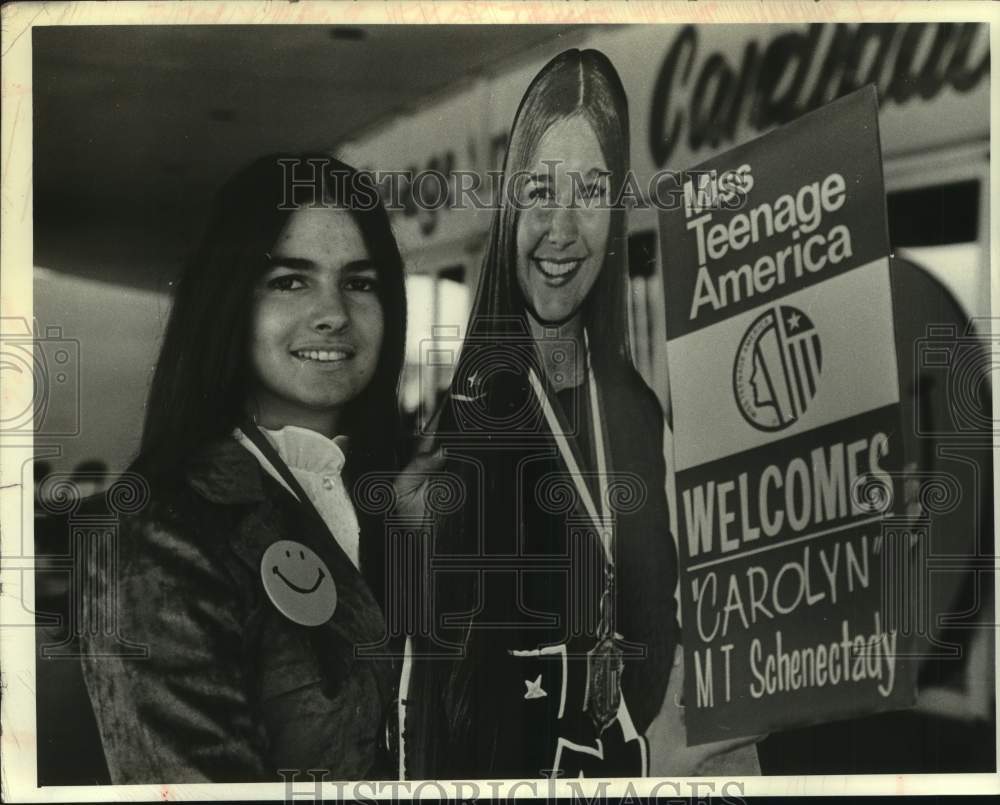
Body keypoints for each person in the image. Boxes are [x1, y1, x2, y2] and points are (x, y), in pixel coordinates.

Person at [80, 154, 407, 783]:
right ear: (230, 302)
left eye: (360, 282)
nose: (333, 312)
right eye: (290, 281)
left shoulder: (387, 501)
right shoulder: (156, 529)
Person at [401, 49, 678, 780]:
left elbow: (677, 615)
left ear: (616, 211)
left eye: (589, 191)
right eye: (539, 191)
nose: (561, 229)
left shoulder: (641, 416)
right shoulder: (462, 424)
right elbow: (424, 680)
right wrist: (404, 543)